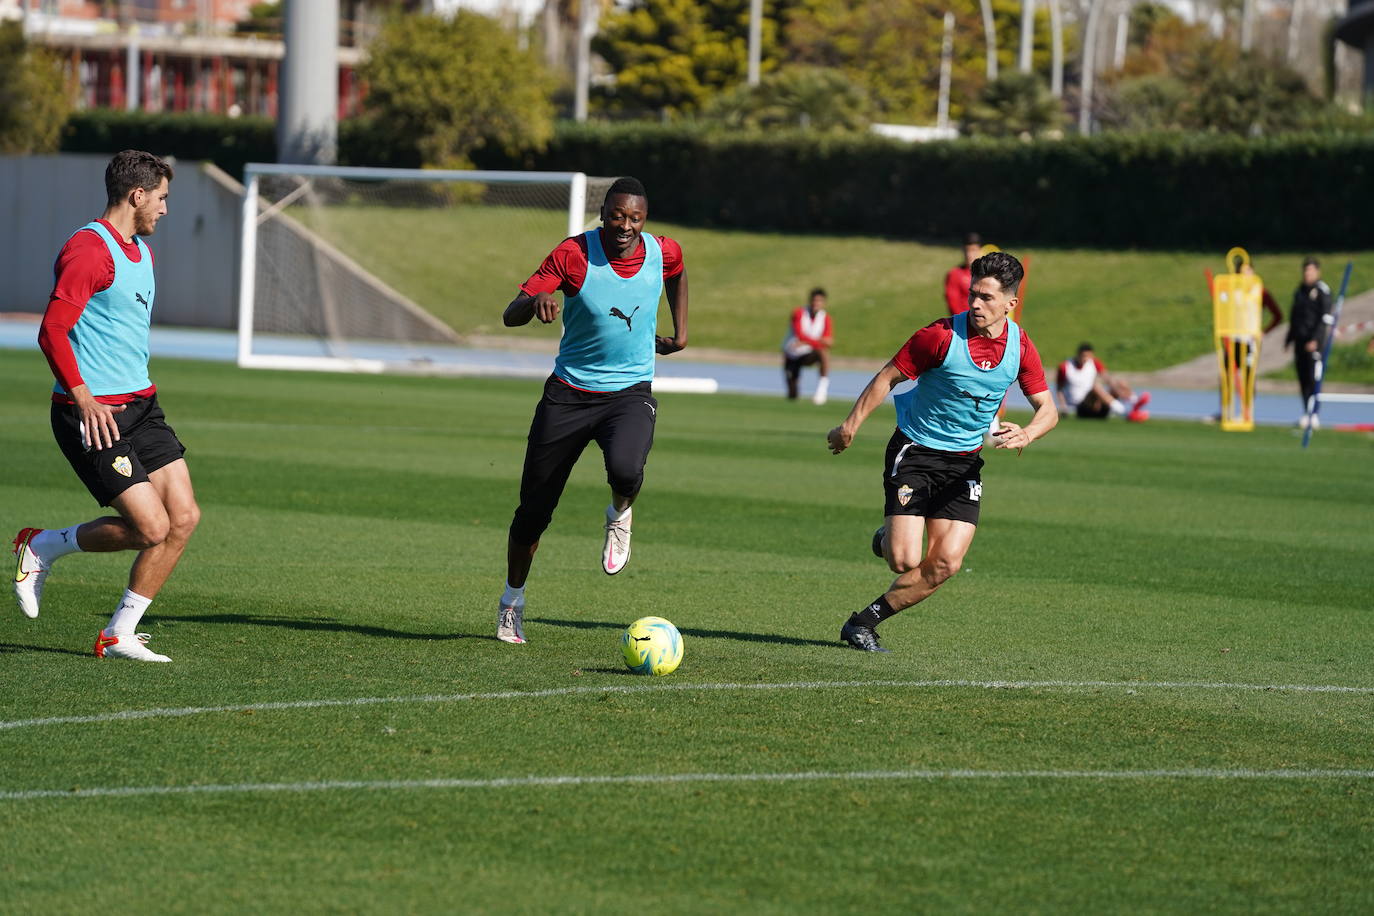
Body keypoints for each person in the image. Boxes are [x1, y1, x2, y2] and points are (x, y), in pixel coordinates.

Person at [13, 150, 198, 662]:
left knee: (183, 518)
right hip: (92, 416)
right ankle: (42, 546)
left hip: (142, 407)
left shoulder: (142, 251)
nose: (165, 208)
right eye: (161, 198)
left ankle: (119, 633)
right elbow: (52, 331)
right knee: (151, 528)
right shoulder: (90, 251)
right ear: (137, 196)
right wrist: (83, 397)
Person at [826, 251, 1057, 653]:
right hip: (916, 452)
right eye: (973, 294)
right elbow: (887, 378)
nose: (975, 304)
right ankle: (890, 537)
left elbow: (1048, 410)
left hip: (964, 464)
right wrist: (849, 427)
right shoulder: (939, 336)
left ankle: (862, 624)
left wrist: (1029, 433)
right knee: (904, 561)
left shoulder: (1020, 346)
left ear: (1011, 303)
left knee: (946, 563)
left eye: (986, 297)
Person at [496, 177, 688, 645]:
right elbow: (510, 313)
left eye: (635, 218)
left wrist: (681, 332)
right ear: (603, 215)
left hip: (629, 393)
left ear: (645, 219)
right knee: (533, 512)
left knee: (626, 470)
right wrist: (537, 300)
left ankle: (620, 513)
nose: (625, 226)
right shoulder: (573, 255)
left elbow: (678, 273)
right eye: (617, 216)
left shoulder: (663, 251)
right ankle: (511, 602)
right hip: (568, 394)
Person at [1285, 257, 1331, 427]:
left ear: (1317, 272)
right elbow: (1294, 317)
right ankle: (1306, 412)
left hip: (1314, 343)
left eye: (1310, 270)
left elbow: (1324, 319)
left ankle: (1314, 413)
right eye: (1305, 270)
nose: (1307, 274)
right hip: (1300, 341)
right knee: (1303, 377)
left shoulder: (1322, 291)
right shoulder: (1300, 291)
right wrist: (1289, 338)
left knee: (1313, 378)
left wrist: (1315, 339)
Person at [1055, 343, 1150, 421]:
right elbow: (1059, 388)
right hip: (1079, 406)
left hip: (1095, 402)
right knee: (1096, 386)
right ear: (1078, 354)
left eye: (1089, 356)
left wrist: (1120, 391)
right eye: (1084, 356)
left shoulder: (1094, 363)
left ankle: (1134, 401)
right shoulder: (1065, 366)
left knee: (1121, 383)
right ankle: (1126, 413)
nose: (1085, 359)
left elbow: (1107, 379)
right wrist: (1063, 406)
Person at [782, 287, 833, 404]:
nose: (816, 303)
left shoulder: (826, 318)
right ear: (810, 300)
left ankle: (821, 392)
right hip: (793, 354)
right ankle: (793, 392)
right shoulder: (799, 313)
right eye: (814, 300)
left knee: (823, 354)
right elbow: (800, 335)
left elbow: (828, 341)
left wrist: (808, 342)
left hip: (810, 353)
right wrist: (819, 341)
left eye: (819, 301)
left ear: (823, 303)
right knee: (792, 395)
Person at [942, 232, 984, 317]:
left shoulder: (987, 274)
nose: (969, 254)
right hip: (964, 321)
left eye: (973, 250)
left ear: (980, 250)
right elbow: (953, 306)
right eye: (966, 250)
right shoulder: (954, 274)